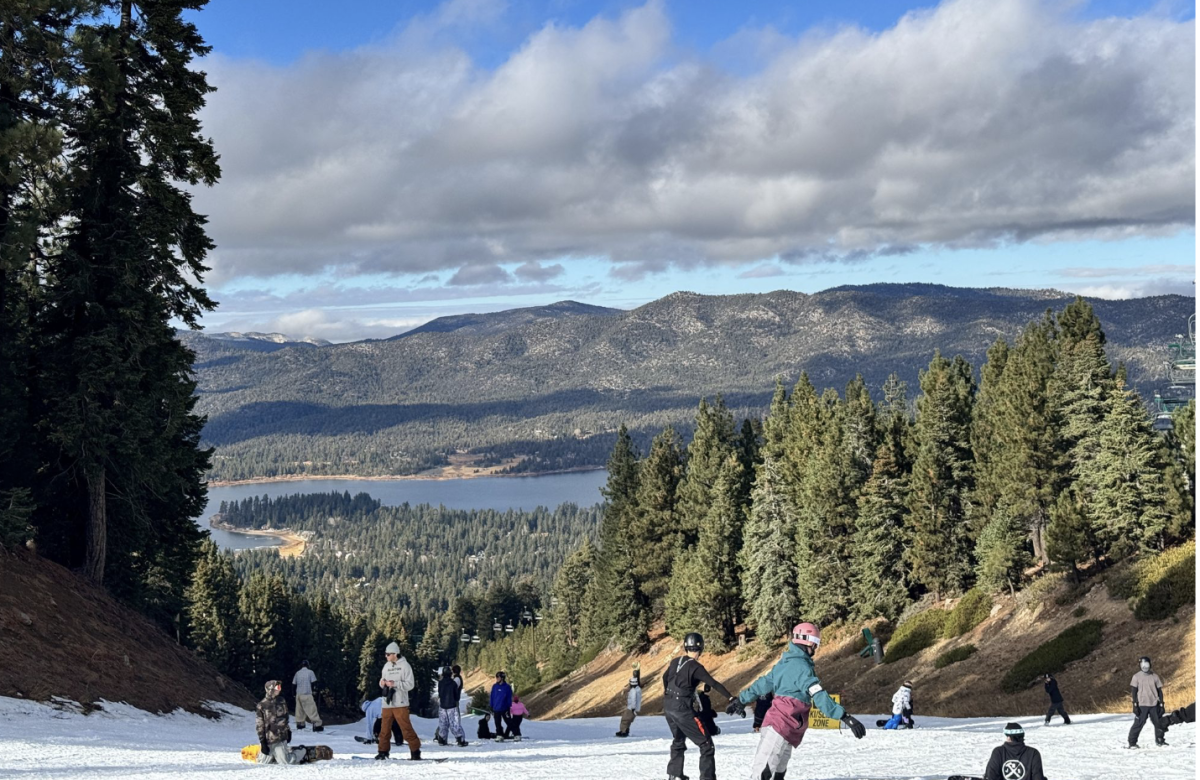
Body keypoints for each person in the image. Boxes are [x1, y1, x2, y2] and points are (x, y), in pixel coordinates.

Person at [735, 622, 866, 780]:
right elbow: (819, 695)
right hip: (780, 726)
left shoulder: (785, 664)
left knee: (777, 773)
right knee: (764, 773)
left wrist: (741, 700)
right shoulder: (802, 667)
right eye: (816, 644)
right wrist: (844, 716)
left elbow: (762, 684)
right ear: (809, 642)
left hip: (787, 729)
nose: (816, 648)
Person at [662, 632, 744, 780]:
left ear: (685, 646)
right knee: (706, 745)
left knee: (678, 739)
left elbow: (664, 677)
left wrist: (668, 694)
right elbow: (713, 683)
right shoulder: (696, 667)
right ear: (701, 647)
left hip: (668, 705)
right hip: (682, 708)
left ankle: (674, 774)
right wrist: (731, 697)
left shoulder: (675, 661)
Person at [377, 641, 421, 760]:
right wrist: (383, 683)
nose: (386, 656)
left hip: (400, 703)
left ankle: (415, 750)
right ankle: (382, 751)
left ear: (395, 654)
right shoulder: (386, 666)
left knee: (406, 728)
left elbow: (410, 684)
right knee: (384, 729)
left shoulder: (405, 666)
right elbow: (381, 680)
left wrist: (395, 684)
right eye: (385, 654)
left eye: (388, 654)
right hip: (387, 702)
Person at [256, 680, 306, 765]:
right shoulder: (262, 705)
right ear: (270, 689)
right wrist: (262, 742)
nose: (280, 689)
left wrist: (288, 731)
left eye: (280, 687)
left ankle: (302, 751)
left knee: (286, 762)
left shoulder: (281, 701)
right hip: (268, 740)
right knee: (263, 763)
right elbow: (259, 725)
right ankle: (275, 754)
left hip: (280, 738)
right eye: (277, 687)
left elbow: (285, 719)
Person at [1128, 656, 1167, 748]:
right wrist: (1135, 705)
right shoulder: (1136, 677)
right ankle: (1132, 743)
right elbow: (1134, 691)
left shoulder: (1155, 676)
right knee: (1138, 724)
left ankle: (1160, 740)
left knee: (1158, 723)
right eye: (1143, 664)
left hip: (1154, 704)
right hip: (1142, 705)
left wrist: (1161, 704)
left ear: (1150, 664)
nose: (1145, 666)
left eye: (1147, 664)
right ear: (1140, 665)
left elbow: (1159, 691)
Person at [435, 667, 469, 747]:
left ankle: (442, 739)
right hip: (452, 706)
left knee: (443, 723)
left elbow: (440, 694)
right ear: (450, 674)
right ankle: (460, 740)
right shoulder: (453, 683)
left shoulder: (440, 683)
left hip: (442, 706)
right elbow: (456, 696)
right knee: (454, 723)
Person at [292, 660, 323, 732]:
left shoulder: (298, 673)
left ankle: (300, 723)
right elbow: (314, 683)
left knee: (299, 710)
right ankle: (316, 724)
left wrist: (293, 693)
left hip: (299, 694)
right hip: (307, 693)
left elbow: (293, 684)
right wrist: (314, 692)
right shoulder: (310, 672)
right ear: (308, 665)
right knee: (312, 709)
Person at [616, 672, 643, 737]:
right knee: (628, 720)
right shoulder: (638, 689)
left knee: (625, 720)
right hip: (634, 708)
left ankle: (623, 731)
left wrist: (633, 709)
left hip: (631, 708)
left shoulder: (633, 691)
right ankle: (625, 730)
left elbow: (633, 700)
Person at [490, 670, 514, 740]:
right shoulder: (494, 686)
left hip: (504, 708)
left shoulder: (507, 687)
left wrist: (508, 707)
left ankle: (516, 733)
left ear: (502, 678)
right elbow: (492, 696)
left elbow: (509, 697)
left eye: (498, 677)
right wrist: (491, 705)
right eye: (496, 677)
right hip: (496, 708)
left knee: (509, 722)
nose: (497, 678)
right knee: (497, 723)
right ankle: (499, 735)